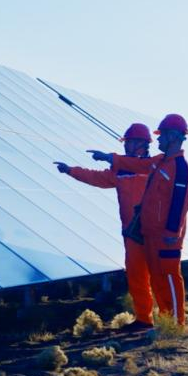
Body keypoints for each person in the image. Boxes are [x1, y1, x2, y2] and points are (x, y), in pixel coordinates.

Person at [54, 123, 156, 332]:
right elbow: (97, 177)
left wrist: (110, 157)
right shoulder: (120, 170)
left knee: (161, 276)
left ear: (143, 144)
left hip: (154, 231)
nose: (126, 146)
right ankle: (144, 320)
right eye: (126, 143)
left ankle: (170, 322)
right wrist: (71, 170)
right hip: (131, 233)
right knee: (137, 276)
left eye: (130, 142)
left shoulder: (154, 166)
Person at [102, 113, 188, 327]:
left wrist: (172, 232)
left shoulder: (180, 168)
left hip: (166, 236)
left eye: (162, 135)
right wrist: (111, 158)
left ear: (173, 136)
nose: (158, 139)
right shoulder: (159, 163)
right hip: (151, 233)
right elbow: (136, 165)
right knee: (158, 280)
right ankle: (160, 322)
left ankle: (175, 326)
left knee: (169, 279)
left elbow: (180, 203)